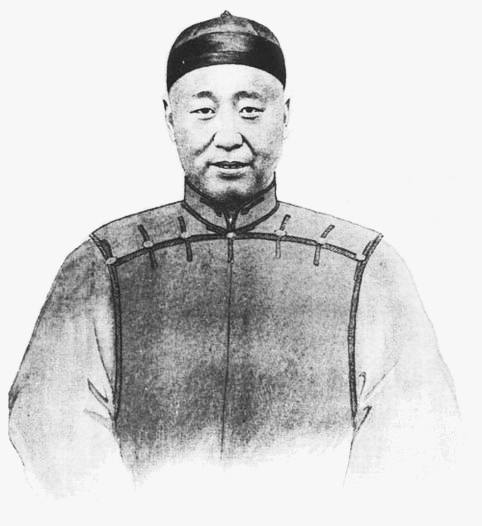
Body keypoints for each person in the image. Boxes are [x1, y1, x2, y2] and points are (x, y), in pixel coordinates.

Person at [8, 11, 460, 498]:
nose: (227, 136)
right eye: (204, 111)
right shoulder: (104, 264)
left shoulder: (365, 267)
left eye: (250, 110)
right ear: (169, 117)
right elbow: (51, 419)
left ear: (285, 115)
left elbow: (419, 430)